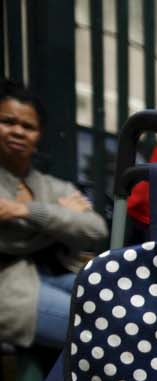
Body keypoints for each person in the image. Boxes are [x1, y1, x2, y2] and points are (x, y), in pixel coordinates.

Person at [0, 80, 107, 350]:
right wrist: (61, 217)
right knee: (101, 333)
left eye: (28, 127)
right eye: (7, 121)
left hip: (48, 277)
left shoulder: (50, 186)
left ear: (39, 136)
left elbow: (95, 228)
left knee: (117, 302)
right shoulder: (57, 195)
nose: (18, 132)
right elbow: (9, 243)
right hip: (10, 292)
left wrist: (24, 210)